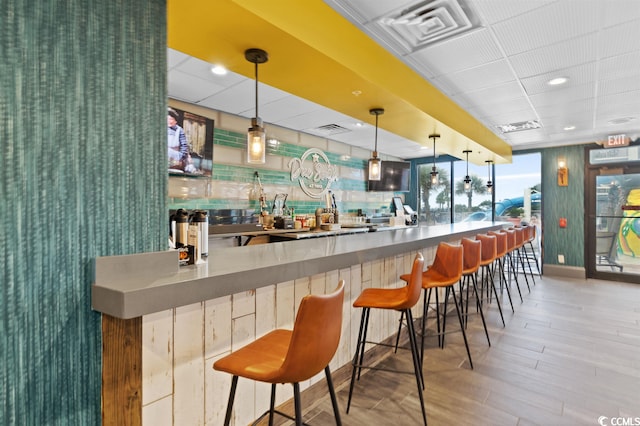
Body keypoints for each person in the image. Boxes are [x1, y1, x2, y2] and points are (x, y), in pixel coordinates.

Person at [167, 108, 194, 172]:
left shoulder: (179, 130)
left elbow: (184, 149)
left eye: (171, 119)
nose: (169, 121)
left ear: (175, 121)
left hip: (176, 163)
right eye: (167, 119)